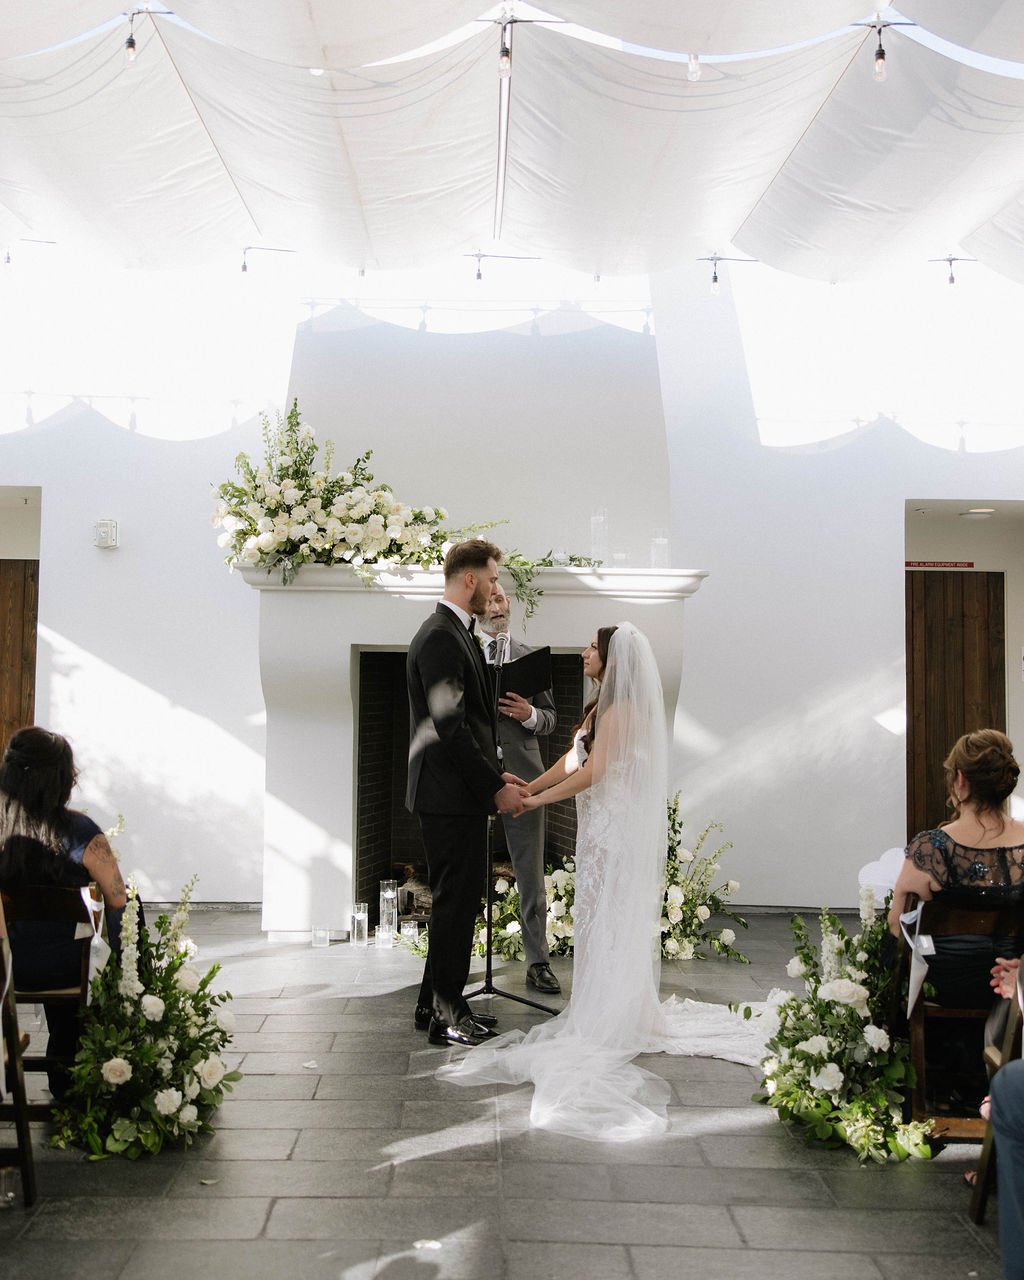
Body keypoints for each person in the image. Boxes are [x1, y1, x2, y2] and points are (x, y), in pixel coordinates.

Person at [440, 622, 771, 1140]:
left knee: (608, 920)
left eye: (593, 647)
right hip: (599, 831)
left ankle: (613, 1016)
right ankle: (601, 1006)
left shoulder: (621, 712)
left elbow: (596, 773)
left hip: (614, 832)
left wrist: (535, 802)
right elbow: (572, 759)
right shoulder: (600, 709)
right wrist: (531, 785)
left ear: (613, 658)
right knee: (597, 922)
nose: (584, 652)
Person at [406, 539, 528, 1048]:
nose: (498, 590)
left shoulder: (453, 631)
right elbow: (451, 728)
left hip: (452, 793)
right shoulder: (441, 636)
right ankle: (449, 1015)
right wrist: (493, 789)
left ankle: (429, 1005)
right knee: (458, 905)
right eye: (494, 578)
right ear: (470, 579)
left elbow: (471, 726)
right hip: (450, 795)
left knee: (455, 901)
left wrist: (499, 777)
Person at [0, 727, 128, 1097]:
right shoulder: (80, 830)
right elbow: (117, 900)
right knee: (100, 937)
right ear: (58, 779)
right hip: (67, 966)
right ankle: (69, 1068)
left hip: (4, 965)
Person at [887, 729, 1024, 1007]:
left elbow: (896, 926)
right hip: (1009, 988)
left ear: (960, 780)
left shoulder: (930, 848)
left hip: (941, 988)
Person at [475, 585, 560, 995]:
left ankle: (538, 961)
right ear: (477, 609)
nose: (497, 606)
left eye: (502, 599)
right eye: (490, 601)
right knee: (463, 869)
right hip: (473, 778)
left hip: (525, 778)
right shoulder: (465, 652)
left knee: (530, 874)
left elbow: (550, 720)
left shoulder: (529, 657)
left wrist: (529, 715)